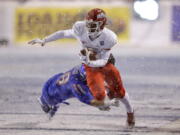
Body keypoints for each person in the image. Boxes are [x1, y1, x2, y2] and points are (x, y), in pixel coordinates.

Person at [28, 8, 135, 128]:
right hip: (76, 75)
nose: (89, 27)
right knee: (103, 93)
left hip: (79, 70)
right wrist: (106, 103)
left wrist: (89, 61)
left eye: (92, 25)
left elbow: (103, 61)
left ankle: (129, 112)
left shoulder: (109, 38)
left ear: (102, 24)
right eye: (88, 24)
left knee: (115, 89)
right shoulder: (76, 84)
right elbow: (95, 102)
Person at [39, 64, 118, 119]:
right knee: (56, 100)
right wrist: (108, 103)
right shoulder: (76, 85)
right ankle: (49, 107)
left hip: (54, 83)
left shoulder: (80, 70)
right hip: (51, 96)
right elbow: (92, 102)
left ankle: (50, 108)